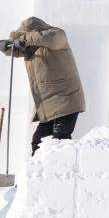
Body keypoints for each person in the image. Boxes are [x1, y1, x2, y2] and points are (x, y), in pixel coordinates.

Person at [0, 17, 85, 155]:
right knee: (38, 142)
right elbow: (15, 49)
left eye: (27, 37)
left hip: (67, 102)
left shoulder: (58, 37)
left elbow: (49, 38)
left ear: (37, 32)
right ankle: (38, 174)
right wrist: (7, 45)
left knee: (59, 140)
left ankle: (63, 173)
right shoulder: (31, 49)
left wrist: (24, 39)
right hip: (49, 107)